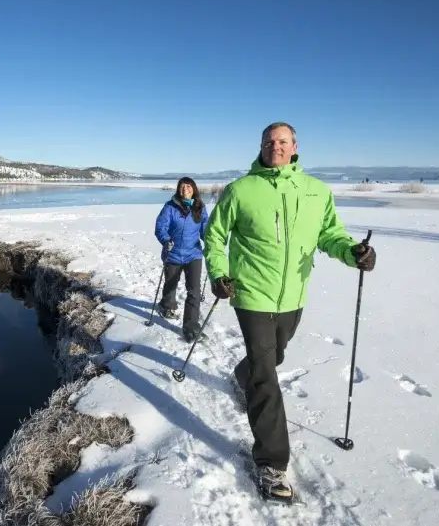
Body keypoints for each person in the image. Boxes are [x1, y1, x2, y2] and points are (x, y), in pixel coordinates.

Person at [202, 122, 376, 502]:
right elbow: (215, 236)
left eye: (282, 141)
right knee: (266, 378)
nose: (275, 147)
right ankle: (272, 463)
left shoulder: (316, 191)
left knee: (272, 358)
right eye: (269, 141)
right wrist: (219, 273)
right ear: (260, 146)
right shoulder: (240, 190)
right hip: (250, 294)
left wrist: (354, 253)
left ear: (295, 146)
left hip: (294, 297)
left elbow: (329, 234)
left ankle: (242, 372)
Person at [154, 177, 209, 342]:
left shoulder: (200, 207)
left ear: (194, 189)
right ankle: (166, 305)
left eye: (189, 186)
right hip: (173, 254)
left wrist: (212, 241)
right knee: (171, 284)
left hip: (194, 254)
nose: (186, 188)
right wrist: (165, 240)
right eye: (183, 186)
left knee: (194, 291)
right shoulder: (170, 207)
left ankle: (191, 327)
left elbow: (205, 229)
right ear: (178, 189)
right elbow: (160, 226)